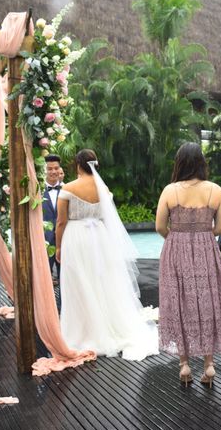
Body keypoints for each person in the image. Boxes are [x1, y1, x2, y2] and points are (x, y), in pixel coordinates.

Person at [55, 149, 159, 360]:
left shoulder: (68, 187)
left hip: (76, 239)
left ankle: (83, 332)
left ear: (78, 165)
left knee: (78, 284)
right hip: (100, 239)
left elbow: (61, 222)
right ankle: (108, 329)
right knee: (103, 283)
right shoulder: (104, 189)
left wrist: (57, 247)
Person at [156, 143, 221, 387]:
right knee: (207, 301)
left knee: (179, 301)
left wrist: (177, 238)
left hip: (175, 248)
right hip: (206, 248)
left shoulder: (170, 191)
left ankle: (184, 364)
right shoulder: (215, 190)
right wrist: (201, 235)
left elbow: (159, 226)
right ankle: (209, 364)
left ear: (179, 163)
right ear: (201, 162)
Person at [43, 154, 62, 283]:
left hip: (64, 241)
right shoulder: (36, 191)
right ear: (45, 170)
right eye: (50, 169)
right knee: (43, 279)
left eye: (56, 168)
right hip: (44, 241)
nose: (53, 171)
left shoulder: (67, 189)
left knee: (66, 279)